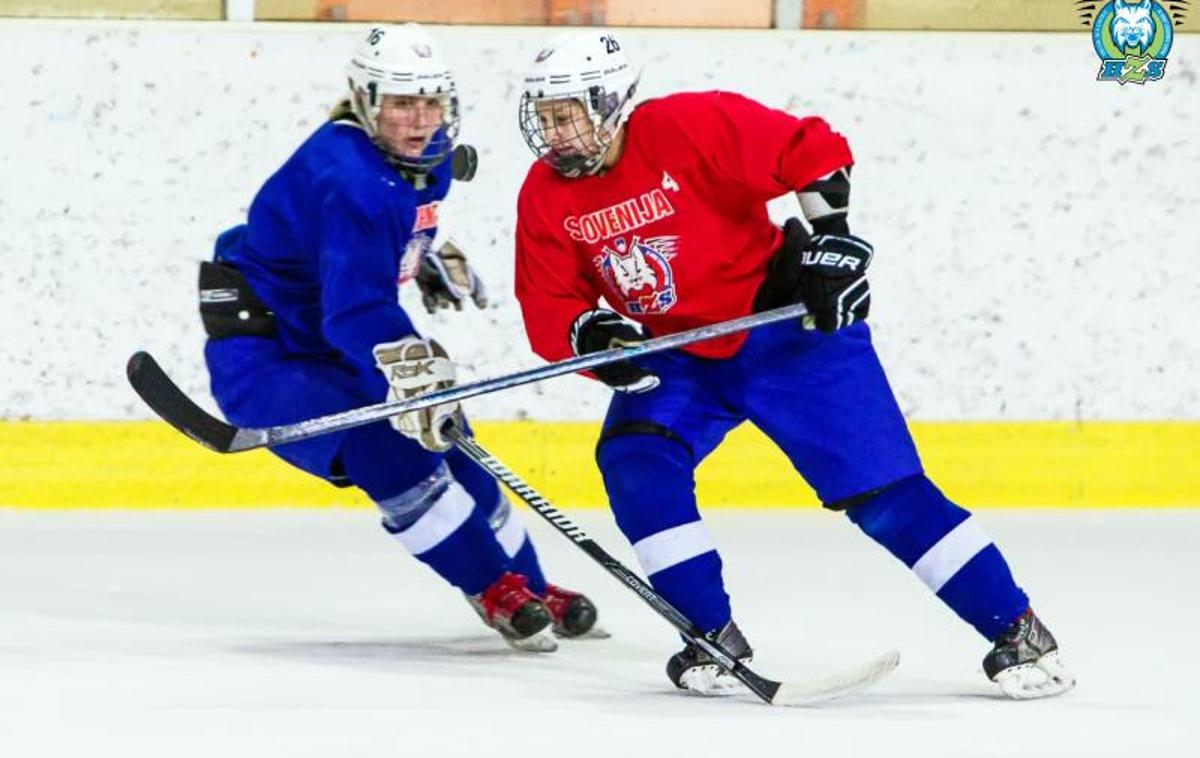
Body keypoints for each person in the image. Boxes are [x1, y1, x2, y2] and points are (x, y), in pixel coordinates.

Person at [512, 29, 1075, 698]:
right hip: (679, 352)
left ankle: (1017, 629)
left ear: (611, 103)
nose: (554, 131)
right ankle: (709, 636)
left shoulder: (688, 124)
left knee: (884, 497)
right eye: (545, 117)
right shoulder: (545, 193)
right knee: (637, 459)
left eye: (567, 113)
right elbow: (548, 299)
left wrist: (832, 246)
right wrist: (592, 336)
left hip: (784, 329)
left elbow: (811, 149)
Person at [199, 23, 600, 652]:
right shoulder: (347, 177)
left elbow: (370, 243)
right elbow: (351, 307)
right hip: (272, 353)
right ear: (365, 99)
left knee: (453, 444)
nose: (420, 119)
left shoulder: (422, 158)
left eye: (431, 101)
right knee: (387, 454)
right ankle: (492, 586)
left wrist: (423, 255)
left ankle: (531, 583)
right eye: (401, 103)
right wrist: (415, 364)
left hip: (335, 345)